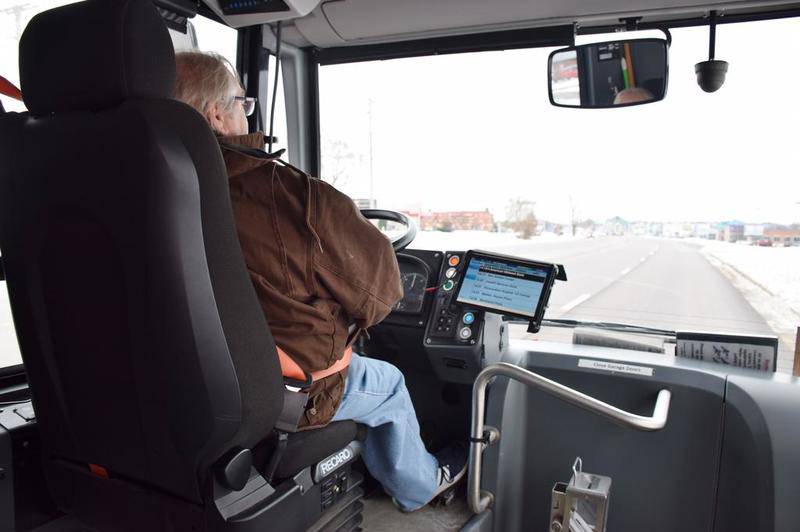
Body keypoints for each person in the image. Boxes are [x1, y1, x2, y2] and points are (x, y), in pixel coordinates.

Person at [173, 51, 466, 512]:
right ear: (215, 114)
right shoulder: (291, 197)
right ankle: (421, 487)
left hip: (173, 389)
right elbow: (384, 294)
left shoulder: (128, 191)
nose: (244, 112)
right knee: (387, 382)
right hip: (277, 398)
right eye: (240, 103)